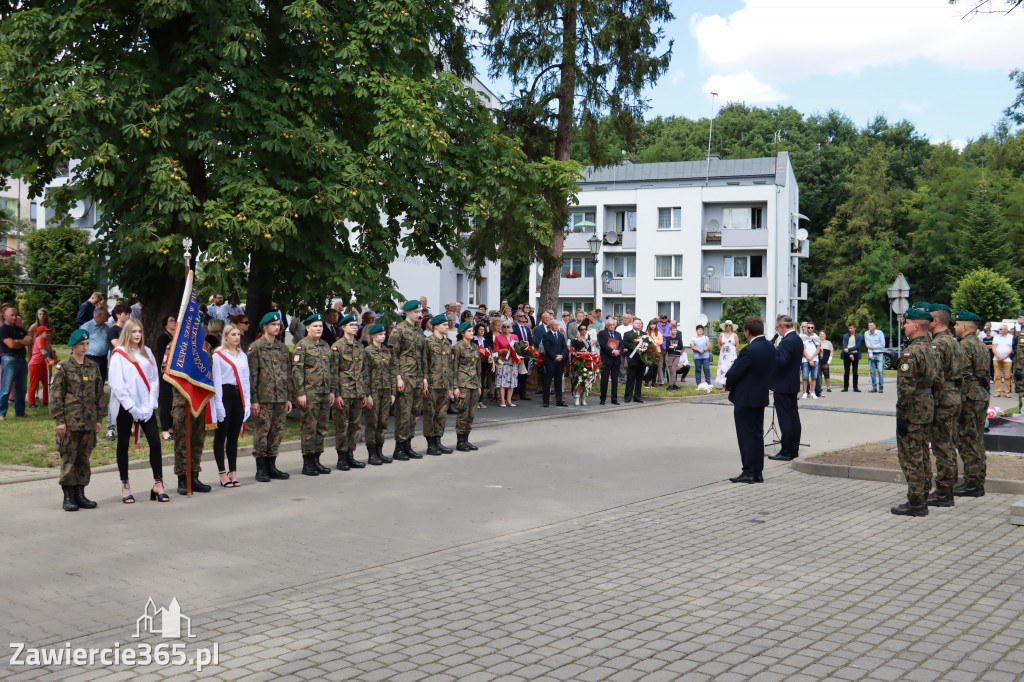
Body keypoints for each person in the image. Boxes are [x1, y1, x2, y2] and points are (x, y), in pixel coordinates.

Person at [109, 319, 166, 503]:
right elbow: (117, 384)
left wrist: (150, 405)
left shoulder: (147, 352)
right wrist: (132, 407)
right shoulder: (118, 355)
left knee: (155, 443)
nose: (137, 335)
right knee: (123, 445)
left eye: (139, 331)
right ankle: (125, 485)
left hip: (146, 407)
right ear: (127, 332)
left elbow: (154, 380)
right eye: (133, 331)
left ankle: (158, 484)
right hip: (127, 408)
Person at [892, 309, 942, 516]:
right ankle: (922, 495)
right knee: (922, 453)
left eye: (907, 323)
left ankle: (916, 502)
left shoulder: (910, 352)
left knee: (911, 456)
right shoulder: (932, 349)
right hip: (927, 406)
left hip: (912, 409)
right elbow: (938, 381)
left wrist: (902, 414)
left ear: (915, 325)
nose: (904, 326)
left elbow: (905, 388)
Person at [50, 329, 104, 511]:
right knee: (69, 458)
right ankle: (68, 496)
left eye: (87, 343)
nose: (85, 347)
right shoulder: (64, 367)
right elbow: (56, 395)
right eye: (82, 344)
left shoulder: (93, 366)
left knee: (84, 458)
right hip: (70, 421)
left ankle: (80, 494)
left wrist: (99, 418)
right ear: (73, 346)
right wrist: (60, 420)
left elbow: (99, 395)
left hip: (88, 421)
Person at [723, 317, 775, 484]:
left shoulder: (749, 350)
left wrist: (728, 383)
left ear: (746, 331)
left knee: (745, 436)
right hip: (760, 396)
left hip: (745, 398)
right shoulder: (769, 347)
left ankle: (748, 472)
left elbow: (734, 372)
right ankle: (758, 471)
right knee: (757, 435)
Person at [925, 304, 966, 508]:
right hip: (953, 395)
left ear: (936, 321)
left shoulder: (938, 344)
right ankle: (947, 488)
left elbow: (934, 375)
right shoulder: (952, 341)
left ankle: (944, 491)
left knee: (942, 447)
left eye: (929, 319)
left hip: (942, 398)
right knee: (948, 445)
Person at [249, 311, 293, 482]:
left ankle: (272, 465)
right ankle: (261, 468)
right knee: (262, 431)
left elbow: (287, 375)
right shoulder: (256, 348)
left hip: (280, 397)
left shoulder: (282, 348)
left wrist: (289, 397)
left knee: (277, 432)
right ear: (265, 326)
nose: (276, 327)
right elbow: (252, 377)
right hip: (264, 398)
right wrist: (254, 400)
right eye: (273, 325)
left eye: (278, 325)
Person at [292, 313, 336, 476]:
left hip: (324, 393)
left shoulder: (325, 345)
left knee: (322, 428)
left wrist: (332, 391)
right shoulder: (301, 346)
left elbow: (331, 370)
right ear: (308, 328)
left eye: (320, 326)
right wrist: (300, 393)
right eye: (315, 326)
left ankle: (317, 460)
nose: (318, 329)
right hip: (309, 393)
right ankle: (307, 462)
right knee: (309, 428)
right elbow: (297, 372)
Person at [953, 311, 989, 497]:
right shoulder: (981, 344)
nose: (955, 327)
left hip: (969, 396)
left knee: (967, 440)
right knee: (977, 439)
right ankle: (977, 480)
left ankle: (973, 483)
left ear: (965, 327)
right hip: (981, 394)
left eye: (957, 324)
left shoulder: (965, 345)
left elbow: (962, 373)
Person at [212, 323, 251, 488]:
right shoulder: (218, 355)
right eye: (233, 334)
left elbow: (245, 380)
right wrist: (219, 405)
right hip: (224, 394)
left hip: (239, 395)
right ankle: (222, 472)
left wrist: (247, 403)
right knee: (221, 435)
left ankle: (233, 471)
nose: (237, 337)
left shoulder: (243, 355)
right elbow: (217, 380)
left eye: (238, 334)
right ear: (225, 336)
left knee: (233, 437)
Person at [389, 300, 429, 459]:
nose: (419, 315)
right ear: (407, 312)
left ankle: (408, 445)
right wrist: (398, 377)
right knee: (403, 413)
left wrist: (425, 377)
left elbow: (423, 356)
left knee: (414, 413)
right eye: (416, 312)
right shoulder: (399, 330)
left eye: (419, 312)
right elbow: (393, 356)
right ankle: (399, 447)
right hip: (405, 376)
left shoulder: (419, 331)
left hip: (418, 377)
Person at [330, 313, 368, 471]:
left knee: (355, 425)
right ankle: (341, 457)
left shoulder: (360, 347)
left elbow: (364, 372)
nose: (355, 327)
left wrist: (365, 393)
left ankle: (350, 455)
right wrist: (336, 394)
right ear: (343, 327)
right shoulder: (337, 347)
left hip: (358, 393)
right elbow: (333, 372)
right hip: (343, 393)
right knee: (342, 426)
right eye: (351, 325)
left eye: (356, 325)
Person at [768, 315, 803, 462]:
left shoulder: (788, 341)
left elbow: (781, 361)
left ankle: (787, 450)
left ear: (783, 326)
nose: (777, 330)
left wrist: (772, 351)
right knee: (793, 418)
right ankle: (792, 449)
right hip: (791, 383)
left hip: (783, 385)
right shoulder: (796, 339)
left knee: (786, 419)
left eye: (777, 327)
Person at [361, 323, 396, 465]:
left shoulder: (387, 351)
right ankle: (371, 453)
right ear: (373, 335)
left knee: (383, 422)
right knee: (372, 422)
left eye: (384, 334)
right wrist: (367, 394)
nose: (383, 337)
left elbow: (392, 372)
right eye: (380, 334)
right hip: (373, 391)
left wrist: (393, 392)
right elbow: (365, 374)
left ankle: (379, 451)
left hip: (386, 390)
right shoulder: (368, 352)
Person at [423, 314, 455, 454]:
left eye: (447, 325)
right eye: (445, 325)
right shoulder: (428, 342)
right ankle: (431, 444)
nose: (447, 327)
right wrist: (424, 381)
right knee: (431, 414)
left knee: (442, 414)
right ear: (436, 326)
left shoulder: (447, 342)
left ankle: (438, 441)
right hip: (432, 383)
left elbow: (449, 365)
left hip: (444, 383)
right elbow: (424, 363)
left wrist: (451, 385)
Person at [0, 304, 32, 420]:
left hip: (22, 361)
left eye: (16, 315)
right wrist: (22, 341)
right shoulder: (3, 329)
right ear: (5, 316)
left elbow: (30, 340)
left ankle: (20, 412)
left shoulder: (20, 329)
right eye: (12, 315)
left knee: (21, 388)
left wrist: (19, 341)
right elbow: (11, 344)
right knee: (5, 389)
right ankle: (1, 414)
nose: (14, 317)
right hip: (9, 359)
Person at [452, 321, 481, 451]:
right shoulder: (458, 347)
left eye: (472, 331)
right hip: (463, 384)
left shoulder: (475, 347)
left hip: (474, 384)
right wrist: (455, 387)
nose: (472, 333)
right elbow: (454, 367)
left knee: (471, 413)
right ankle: (460, 441)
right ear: (462, 333)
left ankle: (466, 439)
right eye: (469, 331)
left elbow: (478, 367)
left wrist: (479, 385)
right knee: (463, 412)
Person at [154, 315, 177, 441]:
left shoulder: (177, 337)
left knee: (174, 400)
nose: (174, 323)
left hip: (176, 373)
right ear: (165, 324)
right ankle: (165, 429)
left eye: (175, 320)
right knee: (166, 401)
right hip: (165, 373)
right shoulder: (163, 338)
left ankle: (172, 427)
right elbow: (163, 357)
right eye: (171, 321)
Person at [541, 320, 568, 407]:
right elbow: (547, 349)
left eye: (557, 325)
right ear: (550, 326)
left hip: (560, 361)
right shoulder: (546, 335)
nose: (557, 326)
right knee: (547, 381)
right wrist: (555, 357)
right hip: (550, 361)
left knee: (558, 381)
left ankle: (559, 400)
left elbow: (564, 347)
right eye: (555, 325)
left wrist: (562, 355)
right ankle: (546, 401)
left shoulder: (560, 335)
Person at [79, 306, 111, 381]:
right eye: (106, 315)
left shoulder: (106, 327)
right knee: (89, 380)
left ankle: (99, 392)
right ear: (100, 315)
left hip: (103, 358)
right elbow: (80, 342)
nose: (108, 316)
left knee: (101, 380)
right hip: (90, 358)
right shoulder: (86, 327)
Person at [492, 320, 519, 407]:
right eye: (504, 326)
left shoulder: (515, 336)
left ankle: (509, 400)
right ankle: (502, 400)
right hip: (503, 361)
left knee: (512, 381)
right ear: (501, 328)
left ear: (510, 328)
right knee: (502, 382)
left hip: (513, 361)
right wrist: (503, 350)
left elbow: (518, 349)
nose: (506, 328)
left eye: (508, 326)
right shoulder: (498, 337)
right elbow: (495, 350)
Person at [27, 325, 55, 408]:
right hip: (35, 364)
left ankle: (45, 401)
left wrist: (57, 359)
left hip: (43, 364)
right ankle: (31, 403)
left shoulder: (47, 341)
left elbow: (51, 351)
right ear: (40, 333)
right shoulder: (39, 339)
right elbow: (43, 351)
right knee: (34, 384)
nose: (48, 334)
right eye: (46, 332)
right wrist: (50, 360)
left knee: (46, 383)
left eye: (49, 332)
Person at [597, 316, 622, 404]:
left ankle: (614, 399)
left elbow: (621, 344)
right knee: (604, 379)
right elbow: (603, 345)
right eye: (610, 325)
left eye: (613, 325)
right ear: (607, 325)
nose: (611, 326)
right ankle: (603, 398)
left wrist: (619, 351)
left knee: (615, 380)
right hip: (606, 358)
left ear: (615, 325)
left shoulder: (618, 334)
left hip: (616, 359)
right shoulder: (602, 333)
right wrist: (612, 351)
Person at [622, 317, 646, 403]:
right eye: (637, 323)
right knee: (630, 379)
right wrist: (636, 345)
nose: (638, 324)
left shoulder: (644, 334)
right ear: (633, 324)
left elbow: (648, 345)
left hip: (642, 360)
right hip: (632, 359)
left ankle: (638, 397)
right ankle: (628, 397)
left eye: (640, 323)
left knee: (639, 380)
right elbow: (625, 344)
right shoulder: (627, 334)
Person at [511, 311, 533, 402]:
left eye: (524, 316)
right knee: (516, 373)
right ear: (516, 317)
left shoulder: (527, 329)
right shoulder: (513, 327)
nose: (523, 317)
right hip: (517, 353)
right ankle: (514, 393)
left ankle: (522, 392)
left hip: (526, 354)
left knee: (524, 373)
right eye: (521, 316)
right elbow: (513, 340)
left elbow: (530, 340)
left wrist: (530, 349)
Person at [863, 321, 886, 393]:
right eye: (868, 325)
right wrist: (870, 355)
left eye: (871, 325)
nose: (869, 326)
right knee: (872, 372)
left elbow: (882, 344)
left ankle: (881, 387)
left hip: (879, 353)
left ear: (874, 326)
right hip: (872, 354)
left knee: (880, 371)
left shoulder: (880, 333)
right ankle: (874, 387)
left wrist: (873, 347)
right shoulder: (866, 334)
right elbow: (868, 345)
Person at [714, 321, 738, 388]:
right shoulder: (721, 335)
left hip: (732, 356)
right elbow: (719, 344)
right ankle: (724, 385)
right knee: (723, 369)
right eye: (726, 325)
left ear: (731, 326)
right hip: (723, 356)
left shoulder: (735, 335)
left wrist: (733, 352)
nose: (728, 327)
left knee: (731, 369)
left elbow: (737, 345)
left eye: (729, 325)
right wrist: (722, 351)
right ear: (724, 326)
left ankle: (730, 385)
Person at [992, 324, 1013, 398]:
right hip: (996, 358)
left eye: (1001, 329)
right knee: (998, 376)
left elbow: (1011, 348)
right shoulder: (996, 337)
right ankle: (998, 391)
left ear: (1005, 330)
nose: (999, 330)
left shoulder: (1011, 337)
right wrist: (998, 356)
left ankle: (1007, 392)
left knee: (1007, 377)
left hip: (1007, 359)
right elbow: (994, 347)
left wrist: (1005, 356)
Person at [800, 322, 820, 399]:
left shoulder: (816, 337)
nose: (810, 329)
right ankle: (805, 392)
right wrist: (808, 358)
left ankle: (813, 392)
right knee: (805, 377)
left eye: (812, 327)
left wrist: (812, 358)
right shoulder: (803, 337)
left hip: (814, 359)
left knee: (814, 377)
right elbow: (803, 349)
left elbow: (818, 349)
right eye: (808, 327)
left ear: (814, 328)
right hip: (805, 359)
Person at [840, 323, 862, 392]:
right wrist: (849, 354)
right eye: (849, 328)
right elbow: (845, 345)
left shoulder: (859, 336)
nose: (850, 330)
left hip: (855, 354)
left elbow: (857, 346)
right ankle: (845, 387)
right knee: (846, 371)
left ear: (855, 328)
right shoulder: (846, 336)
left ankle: (855, 387)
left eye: (851, 328)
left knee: (855, 371)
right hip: (847, 355)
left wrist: (849, 350)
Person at [642, 320, 663, 387]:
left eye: (653, 324)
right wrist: (652, 341)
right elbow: (646, 342)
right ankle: (646, 382)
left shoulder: (659, 333)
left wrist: (653, 340)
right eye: (651, 324)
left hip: (657, 351)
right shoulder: (647, 333)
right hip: (650, 352)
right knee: (650, 367)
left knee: (656, 368)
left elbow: (661, 342)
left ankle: (653, 383)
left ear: (656, 325)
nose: (652, 326)